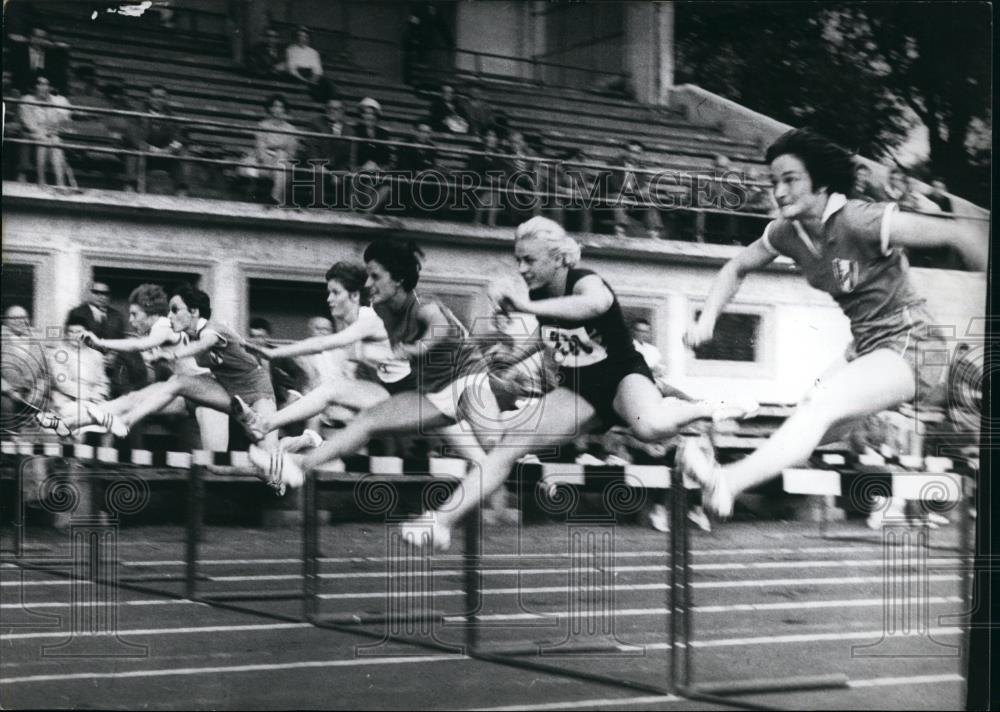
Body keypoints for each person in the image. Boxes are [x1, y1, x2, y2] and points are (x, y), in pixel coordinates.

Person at [679, 128, 988, 519]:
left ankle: (728, 480)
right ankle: (748, 485)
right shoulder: (785, 233)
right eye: (774, 182)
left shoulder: (859, 220)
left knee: (819, 408)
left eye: (791, 180)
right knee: (810, 414)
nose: (779, 192)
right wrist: (707, 319)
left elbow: (958, 232)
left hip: (914, 342)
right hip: (865, 346)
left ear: (821, 182)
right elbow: (735, 267)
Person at [406, 217, 757, 550]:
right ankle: (439, 521)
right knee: (508, 445)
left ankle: (709, 407)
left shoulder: (584, 280)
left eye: (529, 260)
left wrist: (526, 306)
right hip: (579, 390)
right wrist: (508, 359)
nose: (522, 269)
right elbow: (550, 336)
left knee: (650, 427)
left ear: (558, 259)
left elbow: (594, 305)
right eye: (518, 261)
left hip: (622, 378)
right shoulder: (539, 294)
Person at [246, 241, 501, 499]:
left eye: (375, 276)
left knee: (494, 446)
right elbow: (335, 347)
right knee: (365, 422)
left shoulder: (421, 304)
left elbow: (440, 327)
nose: (368, 283)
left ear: (399, 279)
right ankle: (296, 465)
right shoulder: (381, 311)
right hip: (426, 395)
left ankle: (504, 496)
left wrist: (419, 348)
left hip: (467, 381)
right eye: (367, 276)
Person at [77, 285, 284, 491]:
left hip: (258, 393)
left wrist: (172, 355)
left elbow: (203, 345)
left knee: (268, 462)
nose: (170, 315)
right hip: (227, 393)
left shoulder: (213, 329)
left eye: (175, 310)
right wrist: (104, 344)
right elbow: (140, 345)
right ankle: (124, 422)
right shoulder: (187, 334)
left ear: (193, 311)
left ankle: (283, 456)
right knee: (180, 386)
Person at [237, 261, 414, 444]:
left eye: (335, 292)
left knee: (331, 389)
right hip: (387, 398)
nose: (329, 299)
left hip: (412, 400)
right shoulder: (351, 327)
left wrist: (273, 353)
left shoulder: (368, 319)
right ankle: (276, 429)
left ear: (354, 295)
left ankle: (276, 428)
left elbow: (323, 343)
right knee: (327, 391)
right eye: (329, 292)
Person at [39, 284, 230, 450]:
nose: (130, 320)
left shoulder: (164, 325)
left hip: (206, 393)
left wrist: (102, 342)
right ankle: (67, 423)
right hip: (183, 393)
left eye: (135, 314)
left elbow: (138, 346)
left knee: (216, 464)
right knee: (127, 402)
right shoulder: (155, 332)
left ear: (151, 313)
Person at [123, 85, 192, 195]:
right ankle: (130, 187)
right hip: (144, 153)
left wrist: (168, 150)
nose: (158, 100)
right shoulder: (137, 114)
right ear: (149, 98)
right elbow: (134, 137)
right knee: (132, 152)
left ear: (166, 99)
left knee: (184, 153)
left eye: (161, 97)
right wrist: (152, 150)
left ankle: (182, 190)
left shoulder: (173, 117)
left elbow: (178, 138)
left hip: (165, 156)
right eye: (154, 97)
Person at [17, 74, 76, 190]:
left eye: (46, 84)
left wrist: (53, 129)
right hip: (32, 135)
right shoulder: (27, 100)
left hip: (52, 135)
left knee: (55, 141)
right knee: (43, 141)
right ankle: (41, 180)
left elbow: (65, 118)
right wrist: (43, 132)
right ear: (34, 86)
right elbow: (28, 124)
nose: (43, 87)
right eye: (40, 84)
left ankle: (60, 182)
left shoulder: (59, 100)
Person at [241, 94, 299, 204]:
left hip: (283, 162)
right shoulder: (263, 125)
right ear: (270, 109)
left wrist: (278, 156)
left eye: (280, 107)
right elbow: (260, 148)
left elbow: (291, 152)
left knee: (282, 158)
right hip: (264, 162)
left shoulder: (291, 129)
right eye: (275, 106)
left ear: (285, 109)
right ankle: (276, 197)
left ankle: (275, 196)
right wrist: (271, 161)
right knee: (252, 165)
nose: (277, 109)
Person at [610, 140, 663, 239]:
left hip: (634, 196)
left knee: (649, 200)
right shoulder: (615, 164)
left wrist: (643, 191)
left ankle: (654, 233)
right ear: (626, 152)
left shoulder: (641, 168)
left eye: (637, 153)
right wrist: (633, 192)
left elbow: (642, 185)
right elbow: (613, 184)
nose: (633, 155)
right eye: (631, 152)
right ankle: (620, 231)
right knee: (618, 198)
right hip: (617, 193)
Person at [284, 26, 336, 103]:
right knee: (312, 87)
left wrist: (313, 79)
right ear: (296, 37)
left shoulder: (314, 52)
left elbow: (318, 70)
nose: (302, 39)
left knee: (328, 84)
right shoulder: (290, 50)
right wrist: (304, 80)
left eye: (305, 37)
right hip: (298, 76)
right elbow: (292, 69)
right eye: (300, 36)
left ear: (308, 38)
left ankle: (328, 102)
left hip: (311, 75)